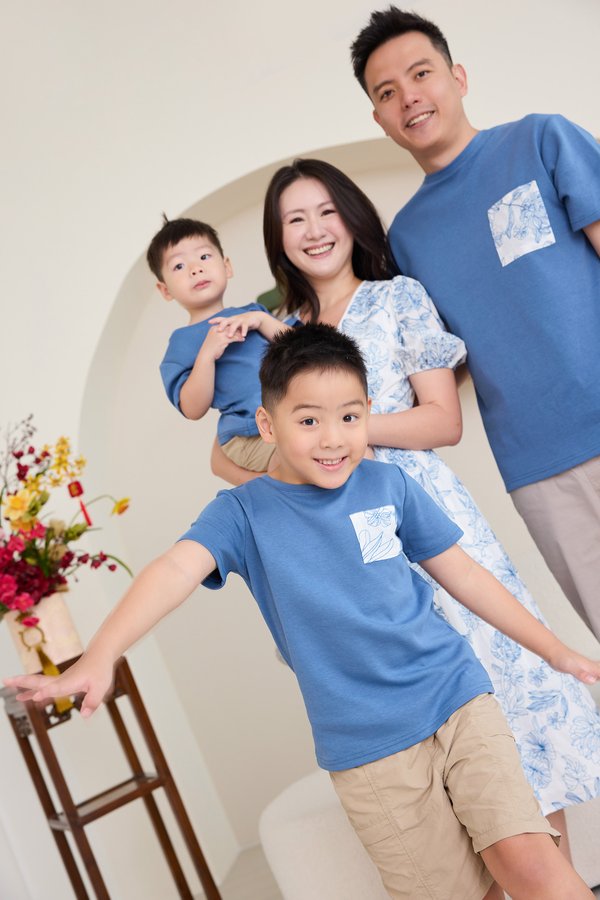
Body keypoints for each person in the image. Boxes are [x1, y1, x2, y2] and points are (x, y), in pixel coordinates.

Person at [5, 324, 599, 900]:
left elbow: (465, 575)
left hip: (457, 695)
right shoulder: (241, 513)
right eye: (309, 420)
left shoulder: (388, 485)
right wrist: (100, 655)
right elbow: (172, 571)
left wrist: (555, 649)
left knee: (529, 861)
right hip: (369, 747)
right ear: (266, 422)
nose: (334, 438)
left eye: (350, 417)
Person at [211, 158, 600, 855]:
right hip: (340, 548)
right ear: (278, 239)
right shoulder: (272, 331)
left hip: (428, 517)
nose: (314, 230)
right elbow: (228, 453)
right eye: (294, 219)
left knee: (505, 697)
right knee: (417, 743)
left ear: (353, 219)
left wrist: (338, 432)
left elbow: (441, 421)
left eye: (327, 211)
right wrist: (308, 453)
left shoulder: (399, 300)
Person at [350, 7, 600, 641]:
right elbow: (438, 366)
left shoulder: (542, 139)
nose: (408, 97)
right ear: (380, 119)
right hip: (538, 467)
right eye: (387, 92)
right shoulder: (405, 238)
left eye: (421, 73)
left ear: (458, 77)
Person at [148, 215, 288, 472]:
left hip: (288, 419)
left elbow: (300, 347)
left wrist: (260, 319)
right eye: (179, 266)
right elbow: (193, 409)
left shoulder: (252, 313)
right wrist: (206, 356)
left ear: (227, 267)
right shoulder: (180, 344)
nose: (195, 268)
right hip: (247, 434)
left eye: (204, 257)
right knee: (292, 460)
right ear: (165, 290)